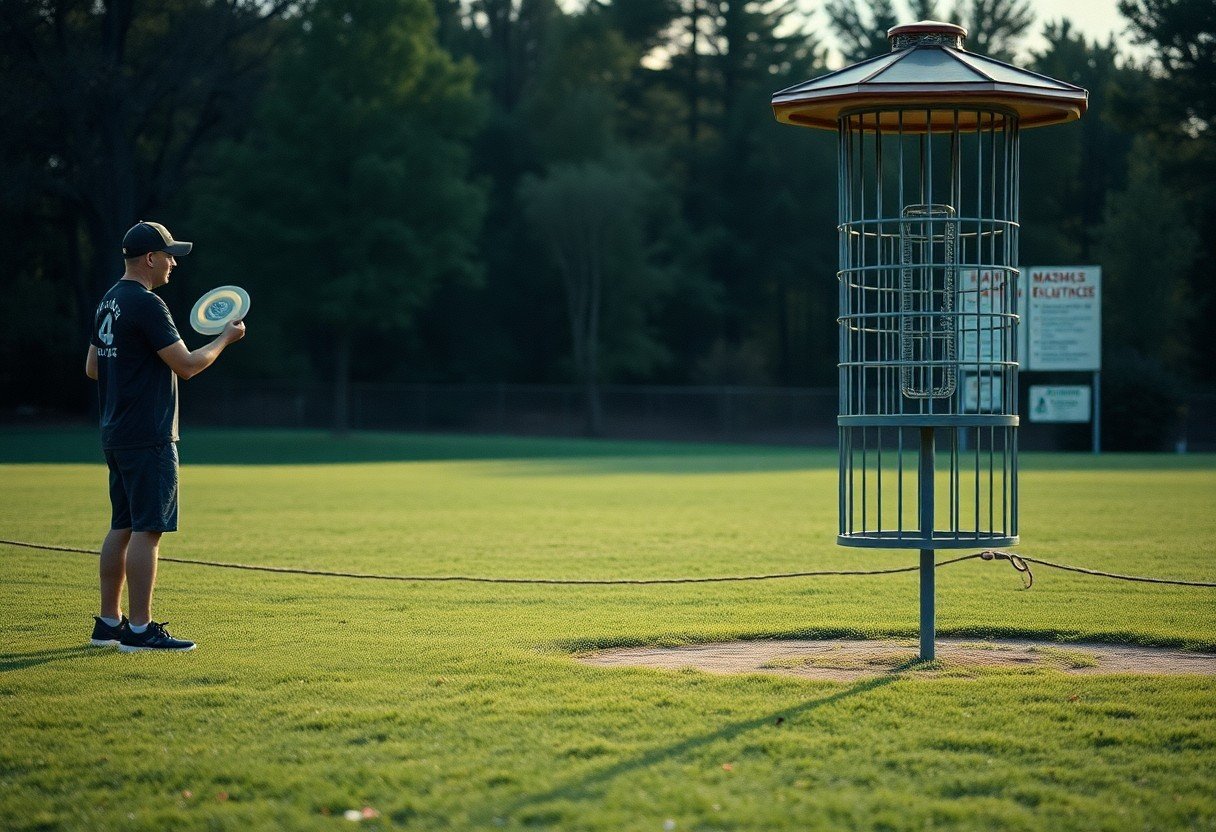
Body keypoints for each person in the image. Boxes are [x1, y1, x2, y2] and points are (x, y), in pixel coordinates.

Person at [85, 221, 246, 652]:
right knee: (148, 529)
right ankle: (140, 630)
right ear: (151, 258)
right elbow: (187, 365)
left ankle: (108, 623)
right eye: (170, 255)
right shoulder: (147, 303)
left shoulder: (109, 300)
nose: (174, 263)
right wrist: (225, 339)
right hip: (149, 434)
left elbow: (93, 367)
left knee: (122, 525)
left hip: (116, 432)